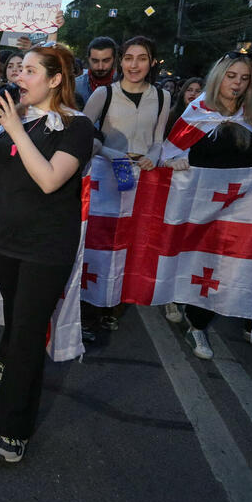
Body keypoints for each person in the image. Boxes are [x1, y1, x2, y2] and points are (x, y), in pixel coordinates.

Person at [0, 44, 93, 464]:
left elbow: (48, 181)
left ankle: (13, 428)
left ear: (55, 79)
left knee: (28, 332)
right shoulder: (15, 121)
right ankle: (8, 356)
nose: (18, 77)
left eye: (28, 71)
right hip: (5, 238)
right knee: (15, 313)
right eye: (18, 69)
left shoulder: (77, 127)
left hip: (46, 247)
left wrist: (15, 126)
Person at [161, 53, 252, 358]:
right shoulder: (198, 111)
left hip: (234, 206)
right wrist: (174, 163)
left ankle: (198, 324)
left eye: (244, 78)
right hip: (194, 205)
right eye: (231, 75)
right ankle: (175, 295)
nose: (236, 83)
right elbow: (166, 155)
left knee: (219, 265)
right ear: (219, 76)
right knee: (189, 259)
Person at [82, 36, 170, 330]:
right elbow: (82, 135)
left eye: (142, 58)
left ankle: (116, 303)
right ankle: (89, 307)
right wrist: (112, 153)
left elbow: (158, 140)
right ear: (121, 61)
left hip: (142, 180)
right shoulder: (104, 94)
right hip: (108, 176)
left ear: (152, 62)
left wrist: (154, 156)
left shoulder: (162, 96)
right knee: (102, 240)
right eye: (129, 58)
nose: (134, 65)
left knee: (132, 242)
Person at [74, 36, 118, 106]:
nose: (100, 67)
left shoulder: (125, 85)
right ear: (88, 59)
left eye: (106, 61)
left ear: (114, 59)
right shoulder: (75, 86)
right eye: (95, 61)